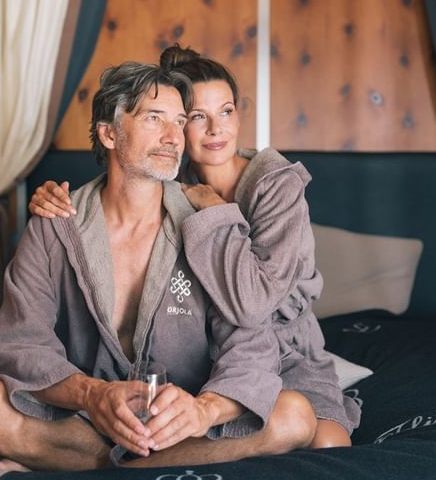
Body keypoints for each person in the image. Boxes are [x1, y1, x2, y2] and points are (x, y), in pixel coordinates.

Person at [0, 62, 316, 471]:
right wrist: (91, 395)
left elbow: (251, 343)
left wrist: (204, 410)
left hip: (184, 417)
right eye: (154, 119)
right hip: (91, 415)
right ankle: (148, 467)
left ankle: (117, 470)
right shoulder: (57, 224)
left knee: (294, 416)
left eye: (180, 122)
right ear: (109, 133)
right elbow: (20, 344)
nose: (173, 138)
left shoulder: (205, 223)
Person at [30, 46, 360, 448]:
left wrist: (218, 214)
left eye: (226, 112)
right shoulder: (171, 171)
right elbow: (120, 177)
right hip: (204, 349)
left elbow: (252, 304)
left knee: (326, 444)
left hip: (284, 347)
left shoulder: (276, 185)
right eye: (196, 117)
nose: (215, 130)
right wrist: (50, 197)